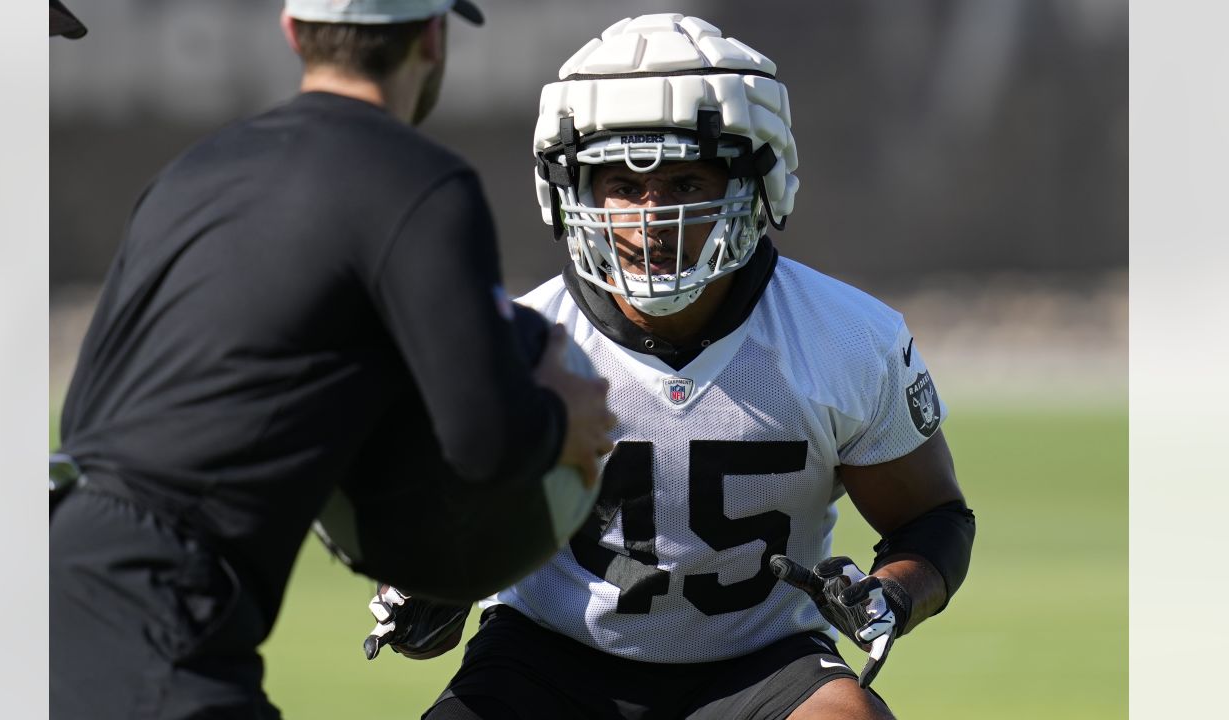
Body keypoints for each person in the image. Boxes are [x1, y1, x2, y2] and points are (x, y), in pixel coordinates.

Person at [367, 14, 976, 720]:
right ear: (572, 191)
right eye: (623, 185)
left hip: (762, 662)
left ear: (758, 181)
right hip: (549, 655)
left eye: (686, 181)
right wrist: (430, 587)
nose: (652, 217)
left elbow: (932, 518)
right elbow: (449, 540)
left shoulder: (843, 336)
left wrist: (891, 594)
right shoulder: (520, 344)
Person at [49, 1, 615, 717]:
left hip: (55, 573)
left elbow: (85, 412)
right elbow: (486, 438)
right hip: (160, 608)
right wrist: (561, 418)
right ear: (433, 38)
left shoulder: (193, 169)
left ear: (293, 33)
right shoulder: (418, 180)